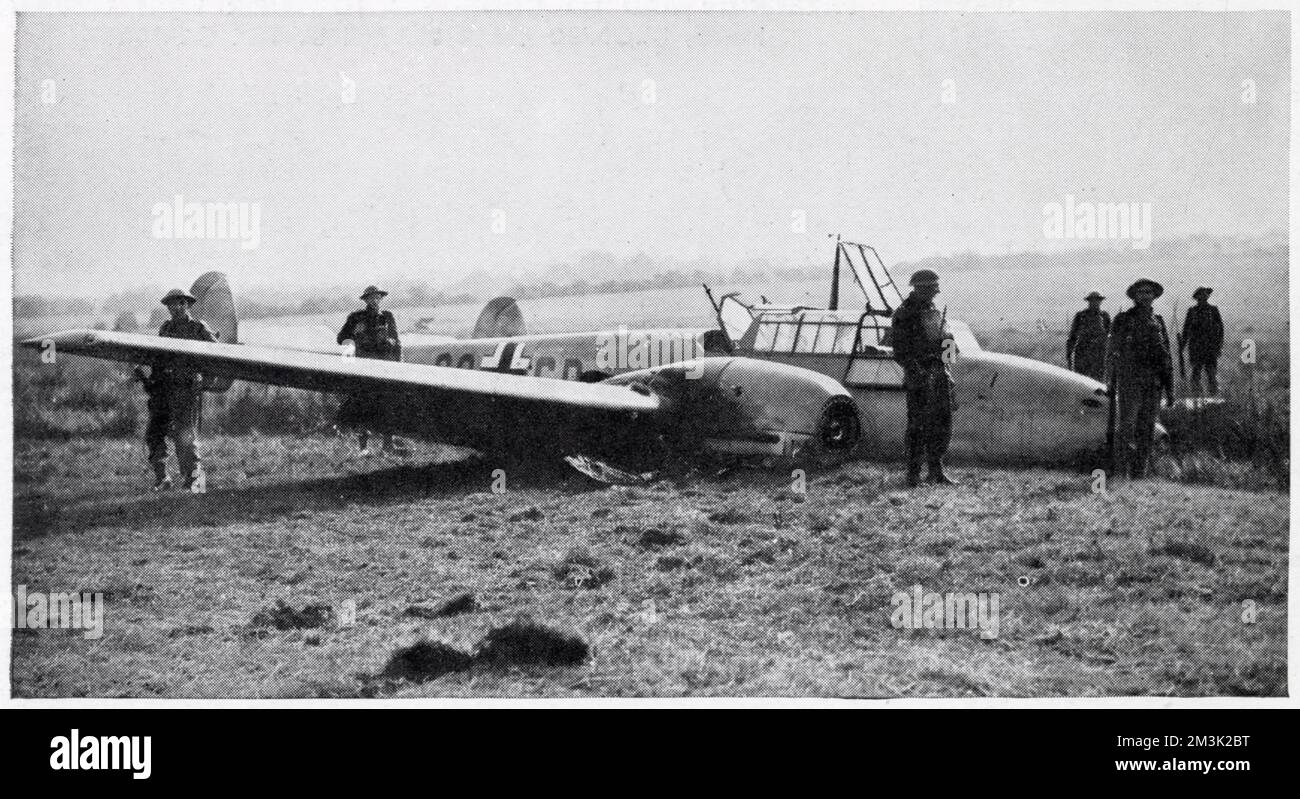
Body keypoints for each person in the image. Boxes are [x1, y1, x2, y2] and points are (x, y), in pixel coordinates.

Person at [137, 288, 218, 492]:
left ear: (188, 305)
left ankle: (195, 480)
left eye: (181, 303)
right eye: (172, 304)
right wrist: (152, 382)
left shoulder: (198, 328)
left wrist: (205, 380)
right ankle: (162, 478)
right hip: (164, 389)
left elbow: (218, 354)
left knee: (184, 436)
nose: (177, 308)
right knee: (154, 434)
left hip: (186, 389)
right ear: (168, 307)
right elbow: (159, 358)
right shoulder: (165, 328)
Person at [890, 269, 958, 487]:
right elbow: (900, 352)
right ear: (921, 288)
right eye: (932, 289)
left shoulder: (934, 311)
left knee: (942, 424)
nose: (936, 293)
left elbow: (948, 341)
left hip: (940, 375)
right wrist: (919, 371)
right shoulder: (904, 314)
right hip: (919, 378)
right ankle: (913, 475)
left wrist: (947, 358)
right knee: (918, 427)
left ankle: (936, 471)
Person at [1105, 278, 1174, 479]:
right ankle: (1119, 472)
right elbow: (1111, 352)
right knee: (1126, 427)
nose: (1145, 295)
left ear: (1154, 296)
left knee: (1147, 429)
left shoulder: (1159, 320)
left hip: (1153, 384)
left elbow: (1166, 356)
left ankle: (1139, 475)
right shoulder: (1123, 320)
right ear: (1134, 296)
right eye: (1141, 292)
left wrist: (1170, 389)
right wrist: (1109, 380)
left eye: (1149, 292)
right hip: (1130, 382)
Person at [336, 285, 404, 456]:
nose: (374, 300)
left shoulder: (387, 317)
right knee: (364, 407)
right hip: (364, 368)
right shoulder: (356, 318)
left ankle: (387, 445)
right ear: (365, 300)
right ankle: (363, 448)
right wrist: (354, 338)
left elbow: (397, 342)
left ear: (381, 299)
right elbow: (341, 339)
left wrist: (392, 345)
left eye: (377, 297)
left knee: (387, 405)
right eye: (371, 298)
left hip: (385, 368)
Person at [1180, 286, 1225, 396]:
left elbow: (1220, 329)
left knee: (1211, 373)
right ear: (1197, 298)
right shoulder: (1192, 311)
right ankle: (1196, 397)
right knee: (1196, 373)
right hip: (1196, 347)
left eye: (1205, 294)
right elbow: (1186, 329)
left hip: (1210, 347)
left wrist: (1219, 346)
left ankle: (1213, 397)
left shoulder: (1213, 310)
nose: (1204, 296)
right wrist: (1182, 345)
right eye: (1201, 295)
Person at [1067, 291, 1111, 381]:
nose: (1095, 302)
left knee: (1098, 382)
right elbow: (1073, 336)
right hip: (1083, 354)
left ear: (1100, 301)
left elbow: (1110, 335)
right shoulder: (1081, 316)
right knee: (1081, 381)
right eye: (1092, 300)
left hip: (1099, 354)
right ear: (1089, 302)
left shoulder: (1105, 316)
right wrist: (1069, 354)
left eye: (1097, 300)